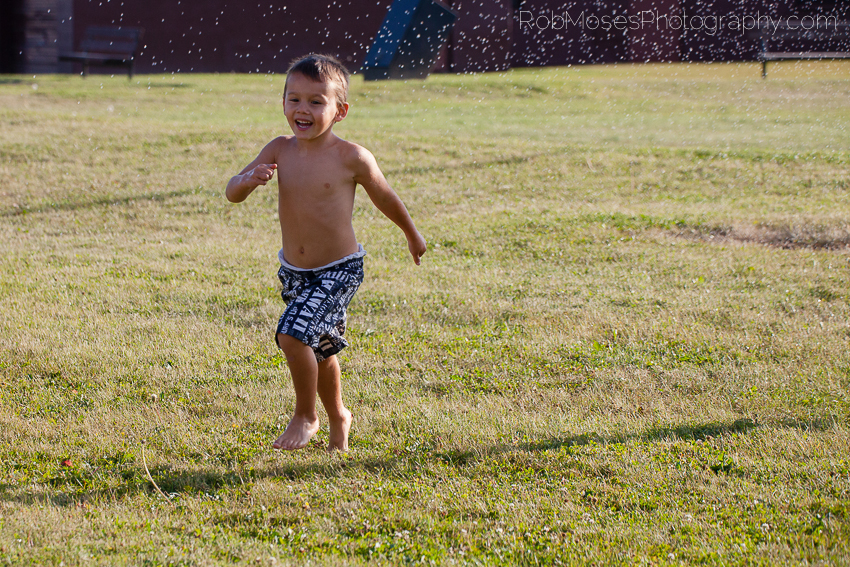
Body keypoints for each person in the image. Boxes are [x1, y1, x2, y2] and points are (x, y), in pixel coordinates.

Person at [225, 54, 427, 452]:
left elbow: (386, 196)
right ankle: (339, 417)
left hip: (339, 269)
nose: (303, 109)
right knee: (321, 346)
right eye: (294, 99)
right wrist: (248, 180)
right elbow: (232, 192)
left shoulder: (351, 157)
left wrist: (411, 233)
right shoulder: (280, 149)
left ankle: (306, 415)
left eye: (316, 102)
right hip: (295, 271)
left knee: (292, 334)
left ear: (340, 111)